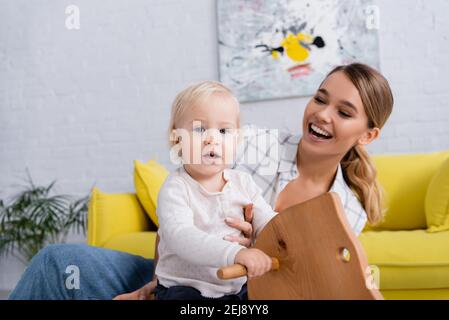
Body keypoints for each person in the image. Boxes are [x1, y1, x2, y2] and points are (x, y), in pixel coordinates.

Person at [9, 63, 393, 300]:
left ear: (367, 135)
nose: (322, 114)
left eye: (343, 112)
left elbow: (315, 285)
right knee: (56, 263)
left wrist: (256, 249)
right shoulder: (248, 143)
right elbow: (176, 222)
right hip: (183, 279)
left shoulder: (346, 211)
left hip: (248, 296)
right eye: (320, 98)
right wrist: (156, 283)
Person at [153, 80, 277, 300]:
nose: (212, 139)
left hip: (237, 287)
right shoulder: (176, 188)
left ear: (236, 139)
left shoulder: (243, 183)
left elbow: (267, 222)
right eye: (199, 129)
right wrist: (236, 253)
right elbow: (180, 235)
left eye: (223, 130)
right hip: (184, 288)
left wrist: (293, 236)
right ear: (177, 139)